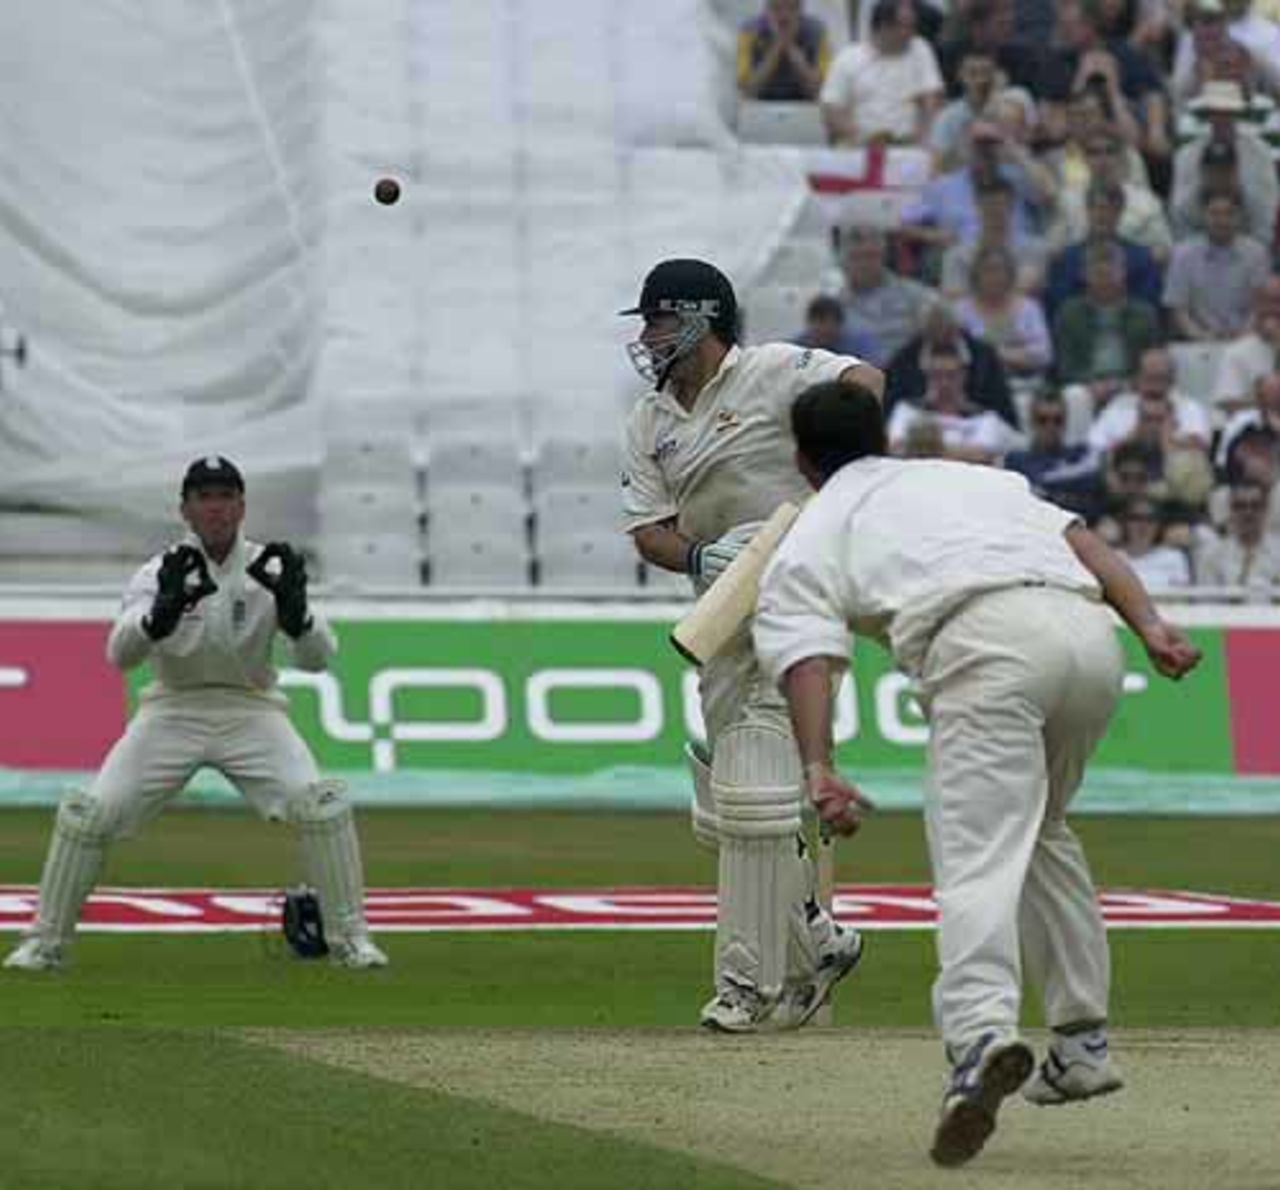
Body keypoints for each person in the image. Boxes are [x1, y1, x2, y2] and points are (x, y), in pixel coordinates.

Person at [751, 381, 1201, 1167]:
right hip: (1091, 642)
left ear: (800, 458)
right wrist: (1153, 627)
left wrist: (819, 766)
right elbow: (1086, 545)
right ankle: (1082, 1043)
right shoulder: (969, 475)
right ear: (883, 437)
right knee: (1042, 830)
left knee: (979, 854)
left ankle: (980, 1036)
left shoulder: (816, 526)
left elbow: (808, 657)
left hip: (986, 646)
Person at [618, 258, 885, 1032]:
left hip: (801, 595)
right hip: (721, 612)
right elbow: (648, 534)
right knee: (729, 811)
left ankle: (746, 987)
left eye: (658, 320)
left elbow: (866, 379)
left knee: (759, 796)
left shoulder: (772, 372)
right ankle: (819, 940)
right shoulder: (650, 420)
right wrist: (704, 558)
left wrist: (833, 479)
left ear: (703, 318)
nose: (647, 336)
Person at [4, 457, 388, 971]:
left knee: (321, 804)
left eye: (226, 495)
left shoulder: (267, 569)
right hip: (172, 710)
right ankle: (44, 944)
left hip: (250, 710)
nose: (216, 507)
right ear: (185, 509)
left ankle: (351, 941)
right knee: (88, 815)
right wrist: (156, 615)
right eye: (204, 497)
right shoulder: (159, 571)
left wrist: (298, 615)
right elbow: (120, 655)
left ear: (242, 506)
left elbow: (317, 661)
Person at [819, 0, 944, 147]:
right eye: (905, 27)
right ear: (883, 27)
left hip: (910, 144)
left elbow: (932, 97)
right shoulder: (848, 58)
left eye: (912, 26)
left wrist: (925, 138)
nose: (911, 33)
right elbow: (831, 108)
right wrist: (855, 136)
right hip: (863, 145)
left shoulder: (920, 48)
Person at [886, 341, 1023, 463]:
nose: (944, 383)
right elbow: (894, 448)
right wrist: (958, 451)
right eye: (937, 375)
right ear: (927, 376)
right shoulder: (907, 409)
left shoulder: (984, 417)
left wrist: (922, 447)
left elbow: (982, 455)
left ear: (964, 376)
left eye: (951, 375)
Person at [1163, 188, 1271, 343]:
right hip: (1197, 339)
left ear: (1240, 217)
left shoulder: (1256, 253)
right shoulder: (1183, 254)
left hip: (1247, 338)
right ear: (1202, 215)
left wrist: (1243, 336)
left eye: (1229, 213)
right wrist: (1202, 337)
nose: (1222, 221)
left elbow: (1260, 306)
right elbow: (1178, 310)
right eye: (1214, 213)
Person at [1004, 388, 1104, 519]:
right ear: (1031, 422)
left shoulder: (1080, 455)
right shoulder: (1016, 459)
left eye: (1058, 420)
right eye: (1042, 420)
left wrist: (1042, 487)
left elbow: (1093, 486)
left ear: (1066, 421)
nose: (1050, 427)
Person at [737, 0, 832, 102]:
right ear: (767, 9)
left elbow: (821, 90)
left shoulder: (817, 31)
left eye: (791, 8)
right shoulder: (750, 31)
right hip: (761, 103)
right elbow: (747, 89)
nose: (784, 16)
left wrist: (791, 48)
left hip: (804, 104)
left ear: (800, 10)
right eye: (776, 9)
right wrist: (776, 50)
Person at [792, 292, 883, 362]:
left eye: (831, 323)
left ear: (840, 324)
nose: (825, 329)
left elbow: (874, 368)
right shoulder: (797, 348)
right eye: (820, 322)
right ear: (809, 322)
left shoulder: (859, 344)